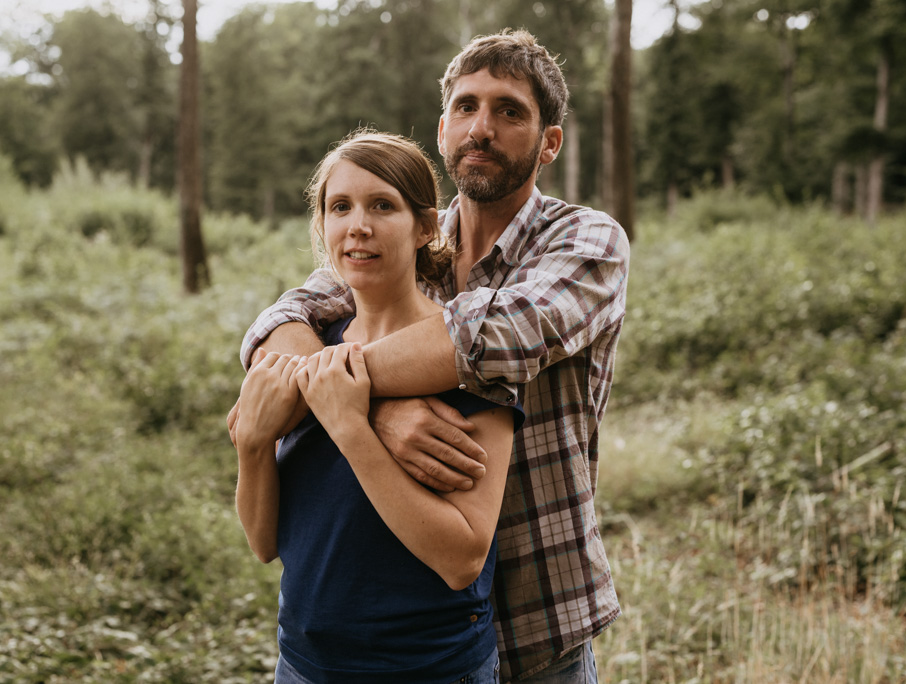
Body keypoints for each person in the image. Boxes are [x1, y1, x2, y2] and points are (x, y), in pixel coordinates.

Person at [231, 30, 630, 682]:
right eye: (467, 107)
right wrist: (365, 407)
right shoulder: (405, 242)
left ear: (549, 141)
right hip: (389, 618)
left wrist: (354, 402)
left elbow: (501, 335)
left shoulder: (586, 239)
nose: (483, 128)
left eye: (509, 111)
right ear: (443, 129)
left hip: (536, 606)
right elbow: (286, 318)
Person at [231, 130, 522, 683]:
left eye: (382, 206)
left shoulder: (465, 362)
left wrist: (351, 425)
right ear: (323, 227)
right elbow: (264, 543)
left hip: (431, 668)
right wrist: (251, 445)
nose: (357, 225)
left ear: (427, 227)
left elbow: (462, 561)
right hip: (304, 665)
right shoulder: (308, 351)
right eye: (340, 207)